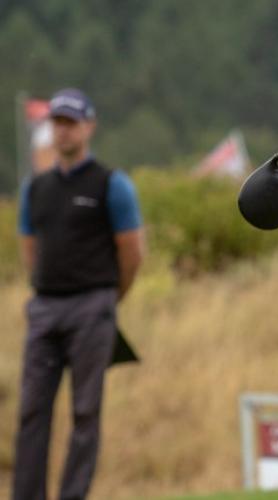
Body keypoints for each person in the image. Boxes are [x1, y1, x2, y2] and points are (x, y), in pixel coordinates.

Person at [13, 88, 144, 500]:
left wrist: (108, 299)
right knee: (32, 411)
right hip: (45, 307)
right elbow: (29, 247)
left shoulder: (111, 184)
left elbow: (131, 252)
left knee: (85, 411)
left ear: (89, 127)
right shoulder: (35, 187)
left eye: (71, 123)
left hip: (93, 306)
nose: (63, 131)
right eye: (57, 123)